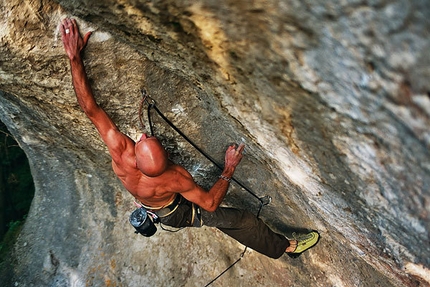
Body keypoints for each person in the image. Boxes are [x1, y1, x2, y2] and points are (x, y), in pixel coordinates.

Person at [60, 17, 319, 259]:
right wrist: (228, 168)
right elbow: (208, 203)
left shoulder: (121, 153)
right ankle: (286, 248)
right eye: (143, 139)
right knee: (242, 221)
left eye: (144, 138)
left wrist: (74, 58)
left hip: (155, 201)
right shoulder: (175, 177)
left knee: (223, 218)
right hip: (176, 213)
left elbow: (90, 109)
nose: (142, 134)